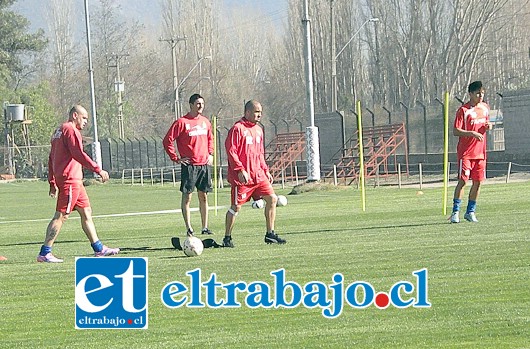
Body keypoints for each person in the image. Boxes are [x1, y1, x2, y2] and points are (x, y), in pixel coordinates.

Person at [37, 105, 119, 263]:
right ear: (75, 115)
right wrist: (97, 169)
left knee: (86, 212)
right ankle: (45, 252)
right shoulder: (70, 130)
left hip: (74, 181)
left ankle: (99, 249)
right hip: (70, 180)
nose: (86, 121)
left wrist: (52, 181)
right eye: (84, 117)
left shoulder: (58, 131)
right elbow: (78, 153)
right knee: (61, 216)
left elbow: (51, 157)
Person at [223, 100, 287, 247]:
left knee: (272, 199)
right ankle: (227, 237)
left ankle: (270, 234)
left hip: (258, 175)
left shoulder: (259, 129)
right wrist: (239, 169)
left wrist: (265, 170)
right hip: (243, 179)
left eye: (260, 112)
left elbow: (259, 153)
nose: (259, 115)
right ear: (247, 112)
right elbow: (231, 151)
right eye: (256, 112)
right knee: (236, 207)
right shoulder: (237, 129)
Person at [163, 94, 214, 238]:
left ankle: (205, 227)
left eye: (202, 103)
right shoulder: (181, 122)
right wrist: (176, 158)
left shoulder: (205, 122)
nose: (201, 106)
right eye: (198, 103)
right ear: (191, 105)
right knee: (187, 198)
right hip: (190, 166)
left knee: (203, 196)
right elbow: (168, 140)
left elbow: (210, 138)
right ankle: (189, 228)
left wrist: (210, 154)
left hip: (203, 165)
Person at [450, 81, 492, 223]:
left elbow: (486, 123)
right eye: (478, 93)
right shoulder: (463, 110)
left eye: (482, 93)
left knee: (478, 182)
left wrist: (488, 126)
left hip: (481, 153)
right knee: (463, 181)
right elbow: (456, 131)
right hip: (466, 153)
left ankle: (470, 211)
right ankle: (455, 212)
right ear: (471, 94)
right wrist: (472, 133)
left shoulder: (485, 108)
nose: (480, 96)